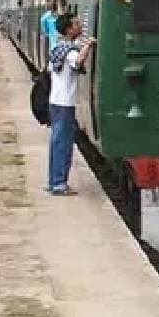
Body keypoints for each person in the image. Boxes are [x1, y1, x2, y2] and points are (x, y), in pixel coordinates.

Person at [46, 12, 95, 195]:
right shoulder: (70, 50)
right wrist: (88, 45)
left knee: (56, 143)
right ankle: (59, 184)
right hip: (65, 103)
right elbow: (77, 61)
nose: (80, 26)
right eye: (76, 24)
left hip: (55, 100)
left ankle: (54, 180)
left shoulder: (59, 47)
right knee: (63, 144)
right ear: (68, 29)